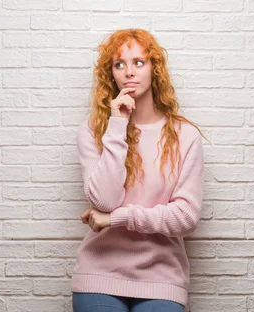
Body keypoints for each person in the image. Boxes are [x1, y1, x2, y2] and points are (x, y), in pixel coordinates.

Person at [71, 28, 205, 312]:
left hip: (162, 278)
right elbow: (103, 201)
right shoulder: (93, 131)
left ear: (155, 69)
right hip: (99, 274)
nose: (129, 72)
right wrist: (117, 123)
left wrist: (116, 219)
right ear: (112, 75)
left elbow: (186, 217)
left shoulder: (185, 136)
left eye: (138, 62)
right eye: (119, 64)